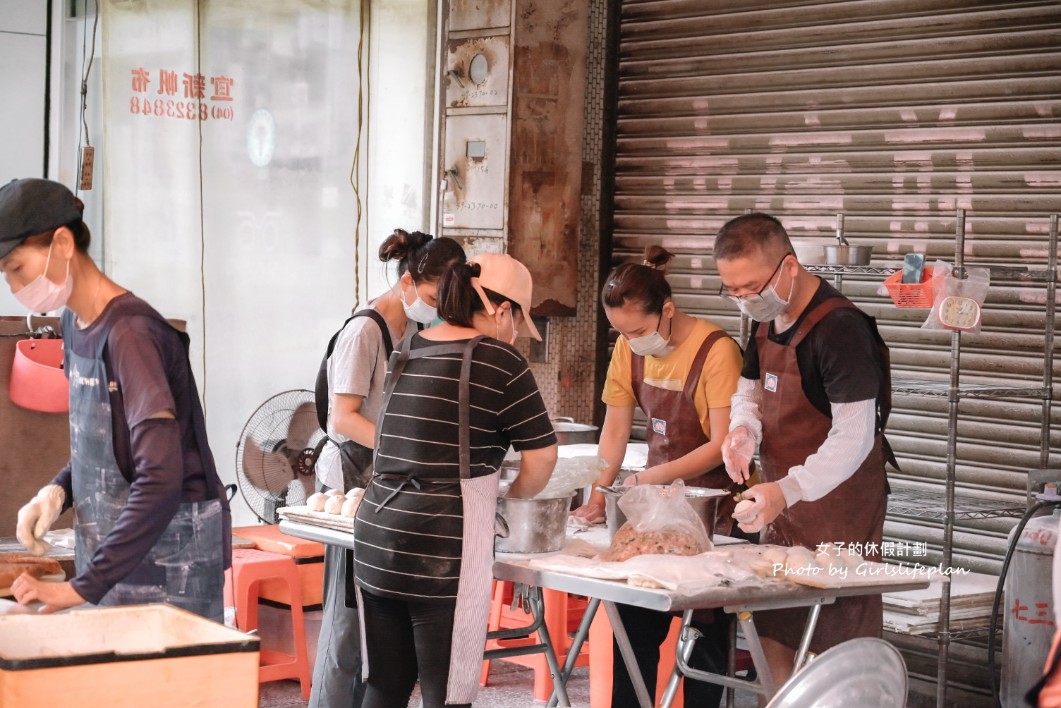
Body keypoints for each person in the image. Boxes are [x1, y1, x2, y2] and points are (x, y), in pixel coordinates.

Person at [0, 178, 230, 619]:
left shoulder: (132, 335)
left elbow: (160, 478)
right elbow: (105, 444)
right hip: (112, 555)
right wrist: (58, 490)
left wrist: (80, 588)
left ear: (62, 243)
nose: (14, 285)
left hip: (170, 563)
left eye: (17, 268)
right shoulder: (73, 323)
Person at [352, 253, 558, 708]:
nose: (515, 334)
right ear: (503, 310)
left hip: (377, 531)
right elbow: (542, 457)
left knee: (385, 683)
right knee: (447, 695)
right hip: (444, 548)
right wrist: (509, 500)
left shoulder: (410, 348)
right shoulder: (501, 361)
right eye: (518, 321)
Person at [714, 212, 894, 688]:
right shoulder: (765, 317)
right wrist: (742, 433)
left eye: (752, 287)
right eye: (732, 291)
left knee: (835, 634)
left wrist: (787, 489)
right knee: (776, 621)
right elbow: (748, 390)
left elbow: (854, 438)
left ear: (789, 267)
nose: (745, 300)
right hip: (784, 504)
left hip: (839, 508)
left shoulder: (841, 329)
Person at [571, 245, 743, 707]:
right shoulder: (628, 349)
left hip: (715, 515)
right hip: (656, 515)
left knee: (705, 646)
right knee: (633, 625)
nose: (630, 340)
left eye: (639, 330)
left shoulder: (717, 351)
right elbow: (614, 428)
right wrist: (598, 493)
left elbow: (721, 444)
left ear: (667, 310)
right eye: (621, 332)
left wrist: (651, 479)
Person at [309, 230, 465, 708]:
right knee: (346, 622)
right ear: (408, 282)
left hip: (387, 482)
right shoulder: (364, 330)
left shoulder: (414, 333)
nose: (440, 308)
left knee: (378, 631)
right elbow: (342, 417)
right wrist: (406, 448)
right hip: (351, 479)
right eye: (437, 296)